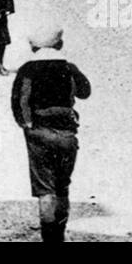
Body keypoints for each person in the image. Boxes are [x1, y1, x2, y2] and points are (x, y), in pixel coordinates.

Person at [11, 24, 91, 242]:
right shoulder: (69, 68)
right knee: (62, 187)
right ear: (60, 44)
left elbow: (17, 103)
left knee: (45, 190)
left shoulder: (27, 70)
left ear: (32, 47)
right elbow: (85, 92)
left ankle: (49, 240)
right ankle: (60, 236)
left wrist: (27, 126)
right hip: (67, 135)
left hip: (38, 134)